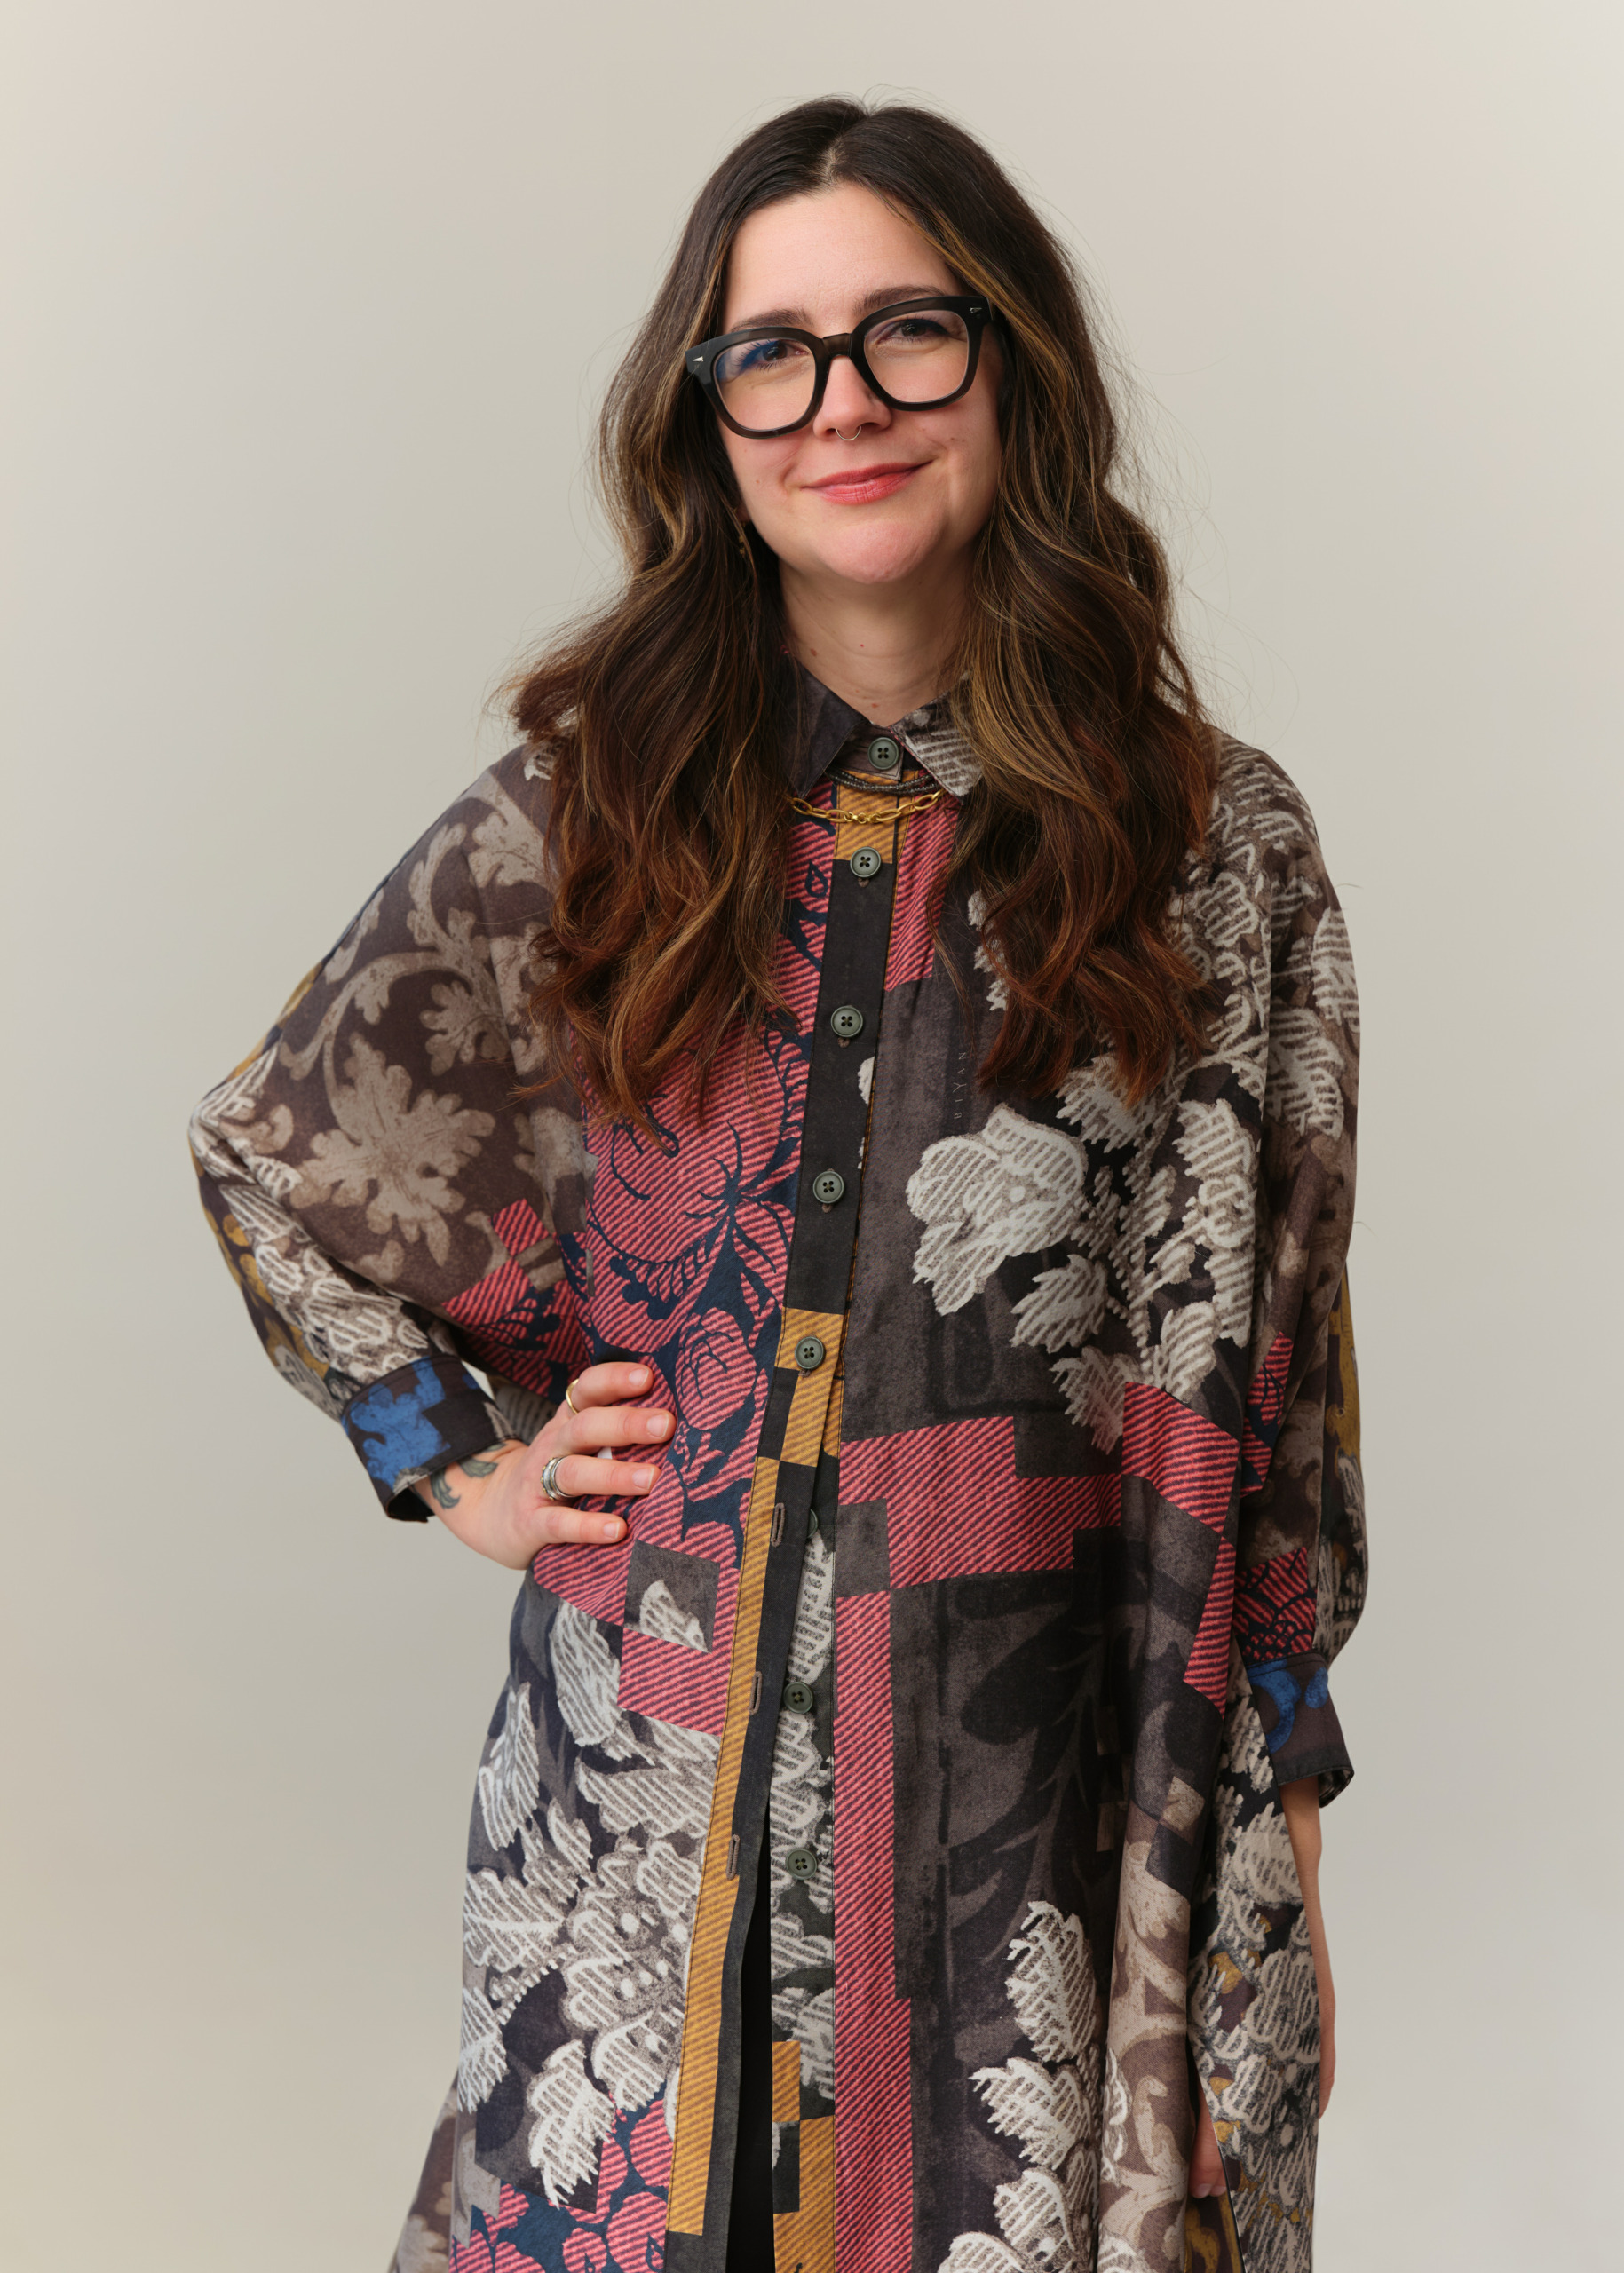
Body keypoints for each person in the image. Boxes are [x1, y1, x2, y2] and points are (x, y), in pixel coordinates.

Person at [190, 97, 1365, 2273]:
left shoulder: (1216, 850)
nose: (845, 402)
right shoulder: (591, 812)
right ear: (706, 418)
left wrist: (1275, 1869)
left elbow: (1272, 1401)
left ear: (1012, 366)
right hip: (651, 1846)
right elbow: (279, 1157)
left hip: (1044, 1841)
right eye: (774, 352)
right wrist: (462, 1462)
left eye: (910, 331)